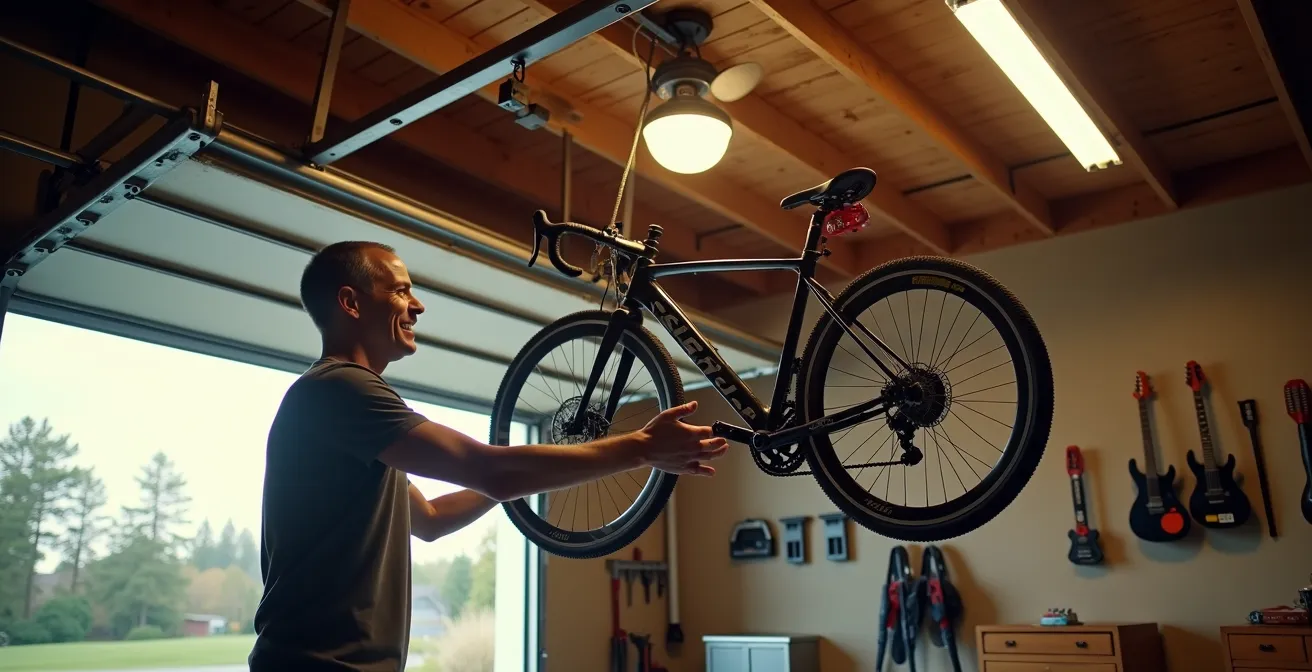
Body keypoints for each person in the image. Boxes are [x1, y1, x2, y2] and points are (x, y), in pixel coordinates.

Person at [248, 241, 728, 671]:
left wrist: (523, 476)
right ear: (350, 302)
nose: (417, 305)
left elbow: (432, 518)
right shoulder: (340, 388)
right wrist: (642, 448)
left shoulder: (350, 411)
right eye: (400, 291)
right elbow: (492, 472)